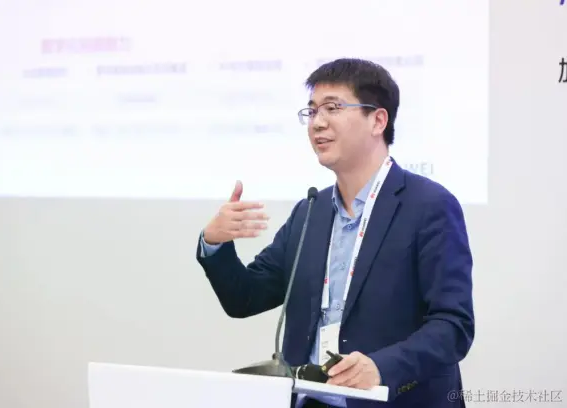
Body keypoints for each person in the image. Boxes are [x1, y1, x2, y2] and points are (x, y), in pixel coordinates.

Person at [195, 58, 474, 408]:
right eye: (312, 111)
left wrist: (381, 367)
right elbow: (245, 299)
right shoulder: (310, 211)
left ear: (378, 120)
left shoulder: (428, 206)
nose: (318, 122)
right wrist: (215, 243)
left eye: (333, 108)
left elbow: (453, 326)